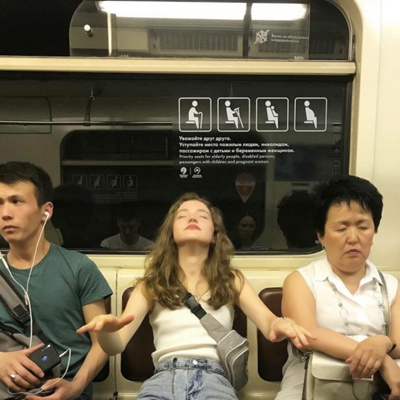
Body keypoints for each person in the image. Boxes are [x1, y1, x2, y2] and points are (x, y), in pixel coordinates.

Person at [78, 192, 315, 400]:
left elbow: (268, 323)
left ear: (215, 235)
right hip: (163, 379)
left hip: (214, 380)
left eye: (202, 216)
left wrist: (281, 324)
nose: (192, 218)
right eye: (182, 216)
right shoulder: (151, 284)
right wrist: (106, 331)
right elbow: (116, 345)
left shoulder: (231, 279)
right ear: (171, 234)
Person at [276, 175, 400, 399]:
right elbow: (308, 335)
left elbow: (398, 340)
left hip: (379, 386)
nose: (353, 238)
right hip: (310, 383)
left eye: (363, 226)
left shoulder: (392, 286)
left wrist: (384, 342)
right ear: (321, 236)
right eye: (342, 228)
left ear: (374, 232)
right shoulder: (300, 280)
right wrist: (381, 359)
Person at [0, 161, 113, 400]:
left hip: (64, 390)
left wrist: (76, 387)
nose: (5, 213)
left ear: (46, 211)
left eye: (16, 201)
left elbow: (101, 344)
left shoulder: (78, 267)